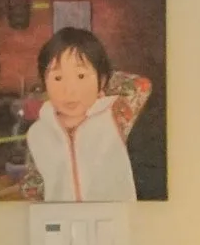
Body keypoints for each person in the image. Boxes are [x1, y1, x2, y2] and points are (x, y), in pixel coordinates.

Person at [23, 24, 142, 202]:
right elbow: (32, 187)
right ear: (44, 83)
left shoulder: (115, 115)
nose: (69, 90)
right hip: (60, 217)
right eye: (57, 78)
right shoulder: (37, 132)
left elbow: (141, 85)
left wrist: (101, 88)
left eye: (81, 76)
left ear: (102, 79)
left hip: (114, 216)